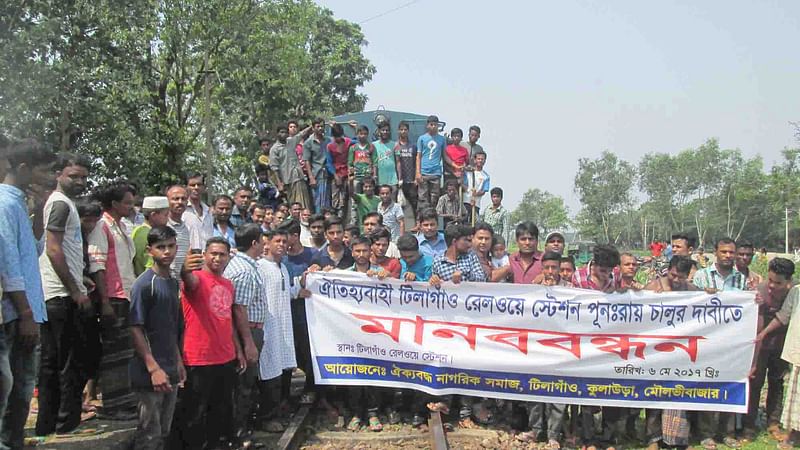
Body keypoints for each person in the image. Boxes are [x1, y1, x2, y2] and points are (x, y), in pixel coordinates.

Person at [0, 142, 55, 447]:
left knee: (22, 387)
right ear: (22, 170)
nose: (47, 178)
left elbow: (31, 253)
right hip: (16, 313)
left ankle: (15, 441)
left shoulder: (18, 204)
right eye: (42, 171)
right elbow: (8, 265)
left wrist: (37, 218)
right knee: (13, 389)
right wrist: (25, 314)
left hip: (28, 310)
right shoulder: (4, 204)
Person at [34, 152, 92, 437]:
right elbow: (53, 248)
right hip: (59, 295)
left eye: (83, 177)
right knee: (66, 362)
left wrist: (79, 280)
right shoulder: (59, 203)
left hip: (62, 289)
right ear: (59, 174)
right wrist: (74, 289)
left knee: (56, 361)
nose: (80, 182)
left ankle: (50, 423)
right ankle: (64, 424)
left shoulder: (62, 203)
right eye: (74, 176)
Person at [174, 237, 244, 449]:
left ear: (228, 257)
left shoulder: (228, 285)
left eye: (222, 254)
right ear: (204, 255)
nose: (217, 258)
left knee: (220, 411)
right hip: (198, 358)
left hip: (225, 357)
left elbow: (227, 320)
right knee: (195, 413)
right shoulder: (196, 279)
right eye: (213, 253)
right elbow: (188, 280)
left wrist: (238, 350)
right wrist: (185, 270)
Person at [128, 226, 186, 450]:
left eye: (171, 246)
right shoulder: (144, 284)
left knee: (163, 431)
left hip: (171, 367)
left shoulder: (171, 282)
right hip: (149, 372)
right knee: (149, 434)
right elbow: (135, 328)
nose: (167, 252)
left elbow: (172, 327)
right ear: (149, 250)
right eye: (161, 247)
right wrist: (153, 369)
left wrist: (178, 362)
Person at [88, 179, 139, 417]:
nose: (132, 206)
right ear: (115, 203)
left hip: (125, 294)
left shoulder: (123, 226)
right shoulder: (102, 226)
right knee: (114, 353)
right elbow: (97, 264)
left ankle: (124, 400)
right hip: (112, 296)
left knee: (124, 350)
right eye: (127, 202)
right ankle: (113, 405)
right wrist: (105, 302)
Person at [693, 238, 745, 450]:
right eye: (724, 252)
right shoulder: (701, 276)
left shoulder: (740, 279)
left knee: (731, 382)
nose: (728, 256)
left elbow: (745, 306)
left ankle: (728, 432)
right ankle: (706, 433)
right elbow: (688, 303)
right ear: (715, 253)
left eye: (731, 252)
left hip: (732, 341)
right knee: (707, 384)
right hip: (707, 339)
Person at [257, 229, 310, 432]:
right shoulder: (261, 267)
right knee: (269, 374)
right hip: (269, 328)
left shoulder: (283, 268)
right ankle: (266, 417)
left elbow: (284, 292)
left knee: (280, 372)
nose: (282, 245)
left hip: (282, 328)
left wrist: (299, 288)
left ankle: (278, 411)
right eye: (277, 241)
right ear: (266, 243)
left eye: (284, 241)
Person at [644, 256, 697, 449]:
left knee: (678, 393)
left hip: (680, 351)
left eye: (681, 277)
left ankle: (678, 438)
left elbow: (713, 302)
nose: (676, 280)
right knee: (654, 393)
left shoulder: (691, 290)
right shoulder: (652, 287)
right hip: (655, 351)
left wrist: (711, 294)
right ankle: (653, 438)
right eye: (673, 275)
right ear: (668, 270)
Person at [223, 224, 267, 445]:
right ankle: (239, 434)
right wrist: (248, 344)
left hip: (248, 330)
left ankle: (241, 432)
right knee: (244, 386)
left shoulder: (242, 265)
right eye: (262, 240)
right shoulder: (244, 270)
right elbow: (238, 308)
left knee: (246, 385)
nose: (263, 244)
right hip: (247, 331)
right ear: (254, 243)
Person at [521, 255, 568, 447]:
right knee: (535, 389)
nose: (550, 272)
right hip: (537, 346)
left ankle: (553, 435)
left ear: (559, 268)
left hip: (561, 347)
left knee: (558, 392)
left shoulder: (569, 289)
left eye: (553, 268)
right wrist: (536, 287)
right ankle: (535, 430)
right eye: (546, 267)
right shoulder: (534, 287)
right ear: (542, 268)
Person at [746, 258, 795, 442]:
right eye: (770, 280)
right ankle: (749, 425)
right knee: (755, 382)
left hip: (783, 345)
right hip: (759, 345)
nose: (772, 286)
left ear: (789, 281)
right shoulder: (758, 291)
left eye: (778, 283)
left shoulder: (795, 292)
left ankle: (773, 422)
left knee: (777, 383)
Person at [756, 263, 800, 449]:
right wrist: (763, 334)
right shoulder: (797, 292)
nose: (772, 284)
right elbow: (784, 316)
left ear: (788, 281)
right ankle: (793, 436)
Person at [271, 124, 312, 210]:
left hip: (299, 177)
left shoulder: (291, 141)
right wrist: (279, 184)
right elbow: (274, 168)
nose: (284, 134)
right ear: (277, 134)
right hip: (288, 180)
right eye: (281, 132)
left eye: (285, 132)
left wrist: (311, 126)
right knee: (294, 204)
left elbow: (301, 134)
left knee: (305, 202)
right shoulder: (274, 149)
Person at [165, 185, 202, 279]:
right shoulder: (163, 226)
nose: (180, 202)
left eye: (183, 199)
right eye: (175, 199)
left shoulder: (185, 228)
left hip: (181, 284)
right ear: (167, 201)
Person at [132, 196, 170, 276]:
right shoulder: (150, 234)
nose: (168, 218)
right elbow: (150, 266)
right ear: (153, 215)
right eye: (165, 215)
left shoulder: (137, 230)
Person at [303, 117, 333, 213]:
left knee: (327, 203)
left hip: (329, 175)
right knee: (318, 203)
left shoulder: (328, 140)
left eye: (322, 126)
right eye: (318, 126)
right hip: (317, 175)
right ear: (313, 128)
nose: (320, 128)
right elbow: (306, 160)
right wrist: (311, 178)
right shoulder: (308, 142)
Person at [416, 115, 445, 212]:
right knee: (422, 198)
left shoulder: (442, 139)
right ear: (427, 125)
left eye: (435, 125)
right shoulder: (422, 138)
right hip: (424, 172)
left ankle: (432, 219)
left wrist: (455, 165)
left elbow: (445, 156)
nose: (433, 127)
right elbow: (418, 156)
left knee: (434, 198)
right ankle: (420, 221)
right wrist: (418, 173)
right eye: (431, 124)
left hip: (436, 173)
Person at [327, 123, 354, 222]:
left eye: (339, 136)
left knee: (349, 197)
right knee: (336, 200)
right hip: (336, 174)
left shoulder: (348, 142)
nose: (338, 139)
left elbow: (359, 142)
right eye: (336, 137)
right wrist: (335, 175)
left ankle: (347, 220)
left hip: (347, 174)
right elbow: (329, 163)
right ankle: (337, 219)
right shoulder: (330, 146)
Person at [394, 121, 419, 219]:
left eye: (405, 129)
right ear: (398, 131)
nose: (403, 131)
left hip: (412, 180)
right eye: (401, 129)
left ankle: (417, 225)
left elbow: (416, 162)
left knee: (414, 204)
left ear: (408, 131)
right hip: (400, 182)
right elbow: (397, 163)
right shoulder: (396, 146)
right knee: (399, 206)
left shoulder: (413, 146)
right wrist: (399, 179)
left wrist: (416, 177)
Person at [183, 173, 213, 244]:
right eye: (192, 185)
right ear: (186, 187)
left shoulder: (209, 211)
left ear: (204, 187)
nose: (196, 187)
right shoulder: (182, 211)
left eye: (199, 185)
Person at [463, 150, 489, 222]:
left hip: (476, 203)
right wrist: (469, 192)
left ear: (484, 161)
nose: (480, 161)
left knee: (475, 223)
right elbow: (464, 185)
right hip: (466, 202)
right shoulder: (468, 172)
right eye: (478, 159)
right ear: (475, 160)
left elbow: (484, 191)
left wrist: (476, 194)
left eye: (482, 159)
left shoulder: (486, 176)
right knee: (465, 222)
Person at [348, 125, 375, 195]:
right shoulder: (353, 148)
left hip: (368, 178)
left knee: (368, 198)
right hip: (356, 178)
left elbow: (375, 162)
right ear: (357, 134)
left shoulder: (371, 147)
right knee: (356, 198)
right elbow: (350, 164)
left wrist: (374, 176)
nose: (363, 136)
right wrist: (351, 176)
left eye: (365, 134)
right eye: (361, 134)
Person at [372, 121, 398, 193]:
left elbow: (398, 162)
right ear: (379, 131)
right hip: (379, 180)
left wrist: (400, 178)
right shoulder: (373, 145)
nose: (385, 132)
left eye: (387, 130)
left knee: (393, 202)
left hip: (392, 180)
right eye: (383, 130)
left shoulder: (395, 145)